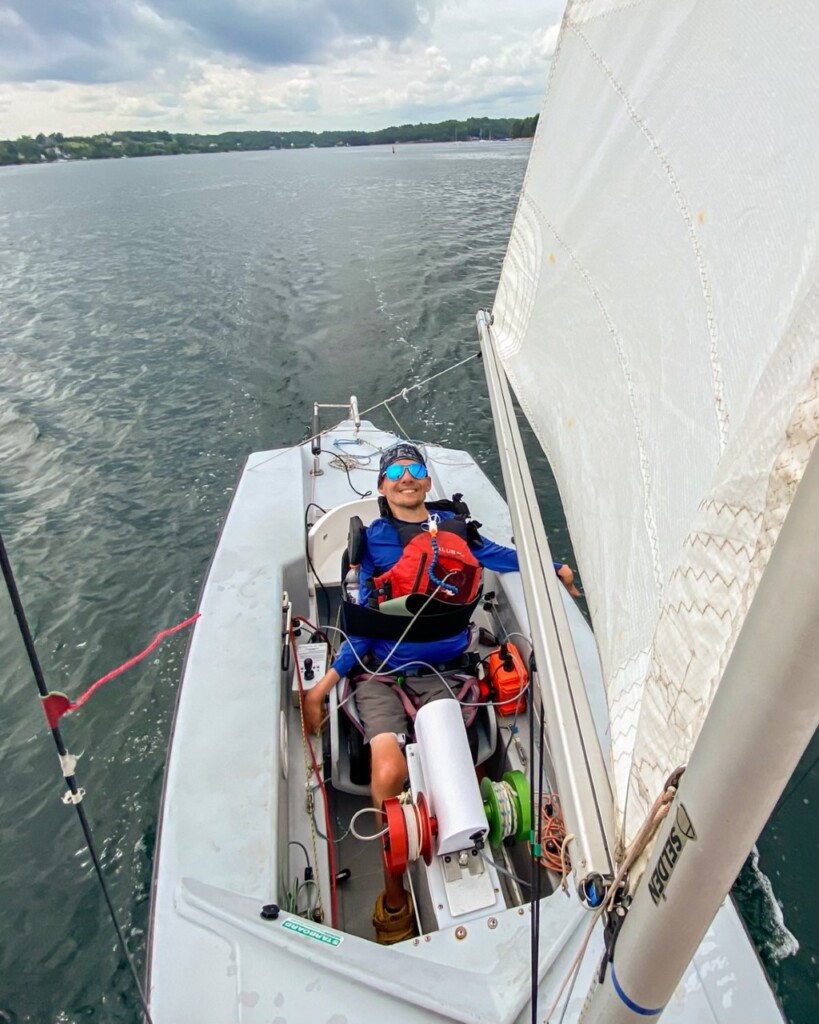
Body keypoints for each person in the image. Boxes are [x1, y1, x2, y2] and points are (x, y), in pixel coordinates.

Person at [302, 441, 577, 942]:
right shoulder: (375, 542)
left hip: (450, 671)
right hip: (383, 673)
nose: (406, 478)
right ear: (382, 487)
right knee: (388, 768)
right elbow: (363, 628)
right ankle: (392, 895)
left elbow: (508, 558)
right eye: (395, 472)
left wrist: (553, 566)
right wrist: (323, 686)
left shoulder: (457, 530)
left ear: (427, 481)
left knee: (463, 776)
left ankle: (472, 856)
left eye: (415, 470)